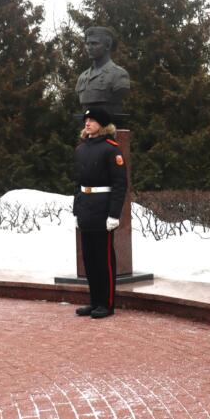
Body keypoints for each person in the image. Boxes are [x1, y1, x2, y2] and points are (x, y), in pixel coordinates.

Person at [73, 108, 127, 319]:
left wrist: (114, 214)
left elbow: (120, 184)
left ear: (102, 124)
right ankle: (95, 301)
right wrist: (76, 210)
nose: (87, 123)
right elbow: (77, 183)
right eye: (86, 120)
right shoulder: (81, 149)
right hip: (86, 207)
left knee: (103, 259)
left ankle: (107, 303)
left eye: (92, 120)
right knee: (89, 259)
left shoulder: (111, 149)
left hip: (103, 208)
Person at [75, 26, 131, 117]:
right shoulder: (82, 78)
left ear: (108, 45)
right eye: (87, 44)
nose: (89, 48)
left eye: (94, 43)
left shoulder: (119, 75)